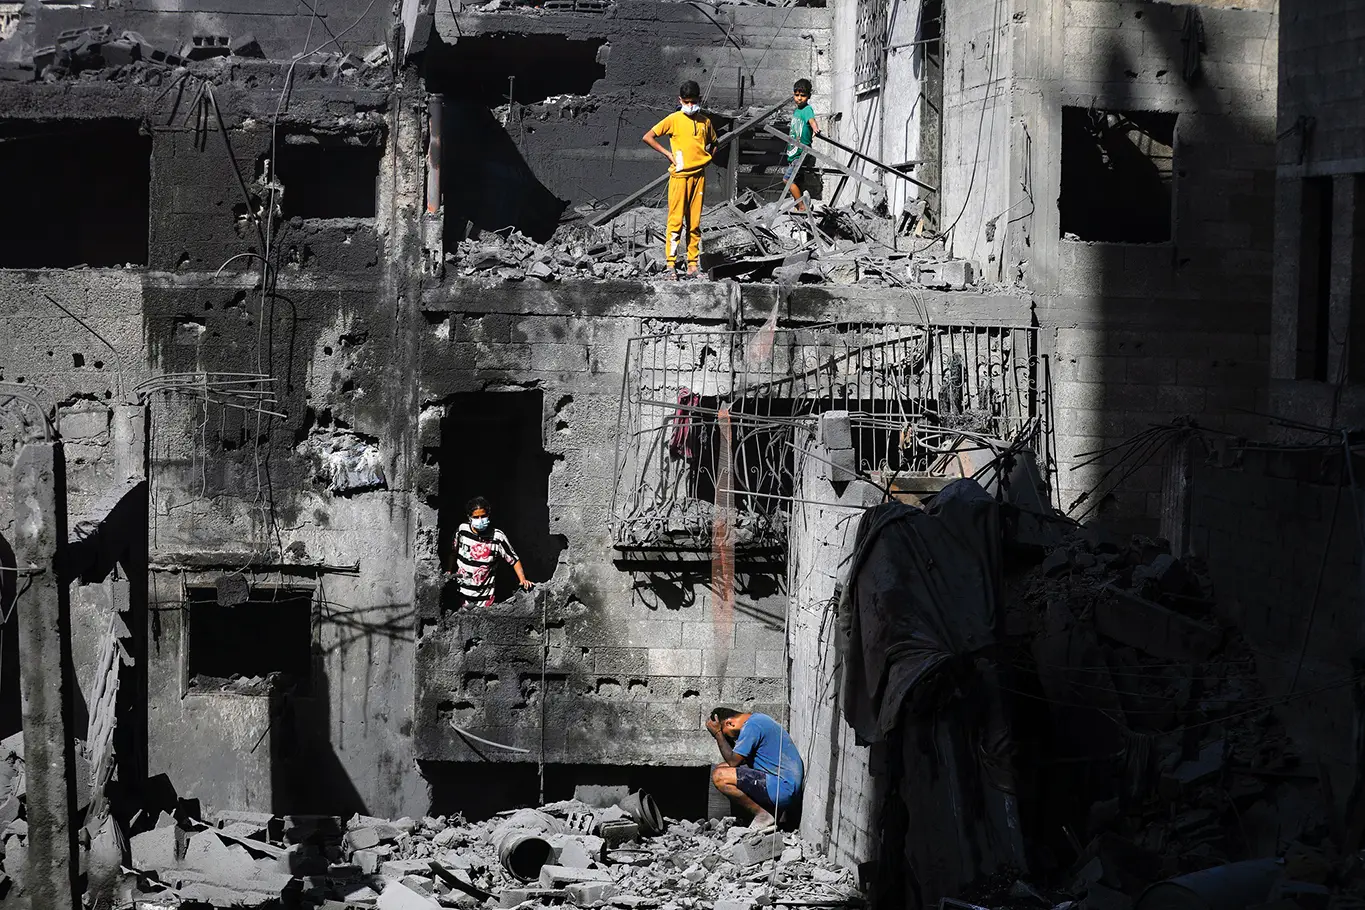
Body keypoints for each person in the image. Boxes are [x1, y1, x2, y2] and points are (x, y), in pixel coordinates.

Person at [642, 80, 717, 279]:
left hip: (698, 176)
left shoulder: (705, 122)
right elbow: (649, 136)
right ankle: (671, 265)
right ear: (680, 100)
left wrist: (707, 159)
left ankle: (693, 265)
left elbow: (714, 143)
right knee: (675, 221)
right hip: (679, 177)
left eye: (693, 102)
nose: (690, 106)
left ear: (698, 100)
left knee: (694, 222)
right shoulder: (673, 119)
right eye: (686, 102)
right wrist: (668, 154)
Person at [707, 706, 804, 830]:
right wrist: (720, 733)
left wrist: (718, 734)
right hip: (783, 785)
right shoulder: (756, 720)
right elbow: (735, 761)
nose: (730, 739)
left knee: (720, 776)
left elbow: (733, 761)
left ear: (730, 723)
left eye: (727, 735)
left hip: (783, 788)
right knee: (722, 768)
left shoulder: (751, 727)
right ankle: (769, 812)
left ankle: (763, 815)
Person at [446, 497, 533, 606]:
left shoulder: (497, 537)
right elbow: (453, 552)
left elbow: (513, 559)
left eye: (483, 516)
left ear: (489, 515)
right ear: (469, 518)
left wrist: (523, 580)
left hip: (484, 600)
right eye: (476, 517)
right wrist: (448, 572)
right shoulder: (462, 530)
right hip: (461, 595)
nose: (480, 520)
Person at [784, 78, 822, 212]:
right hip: (793, 153)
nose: (799, 98)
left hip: (801, 152)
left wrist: (816, 128)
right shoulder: (796, 111)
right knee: (795, 180)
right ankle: (797, 204)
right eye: (796, 95)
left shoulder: (807, 109)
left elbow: (811, 121)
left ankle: (801, 207)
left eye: (803, 95)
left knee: (787, 180)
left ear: (809, 96)